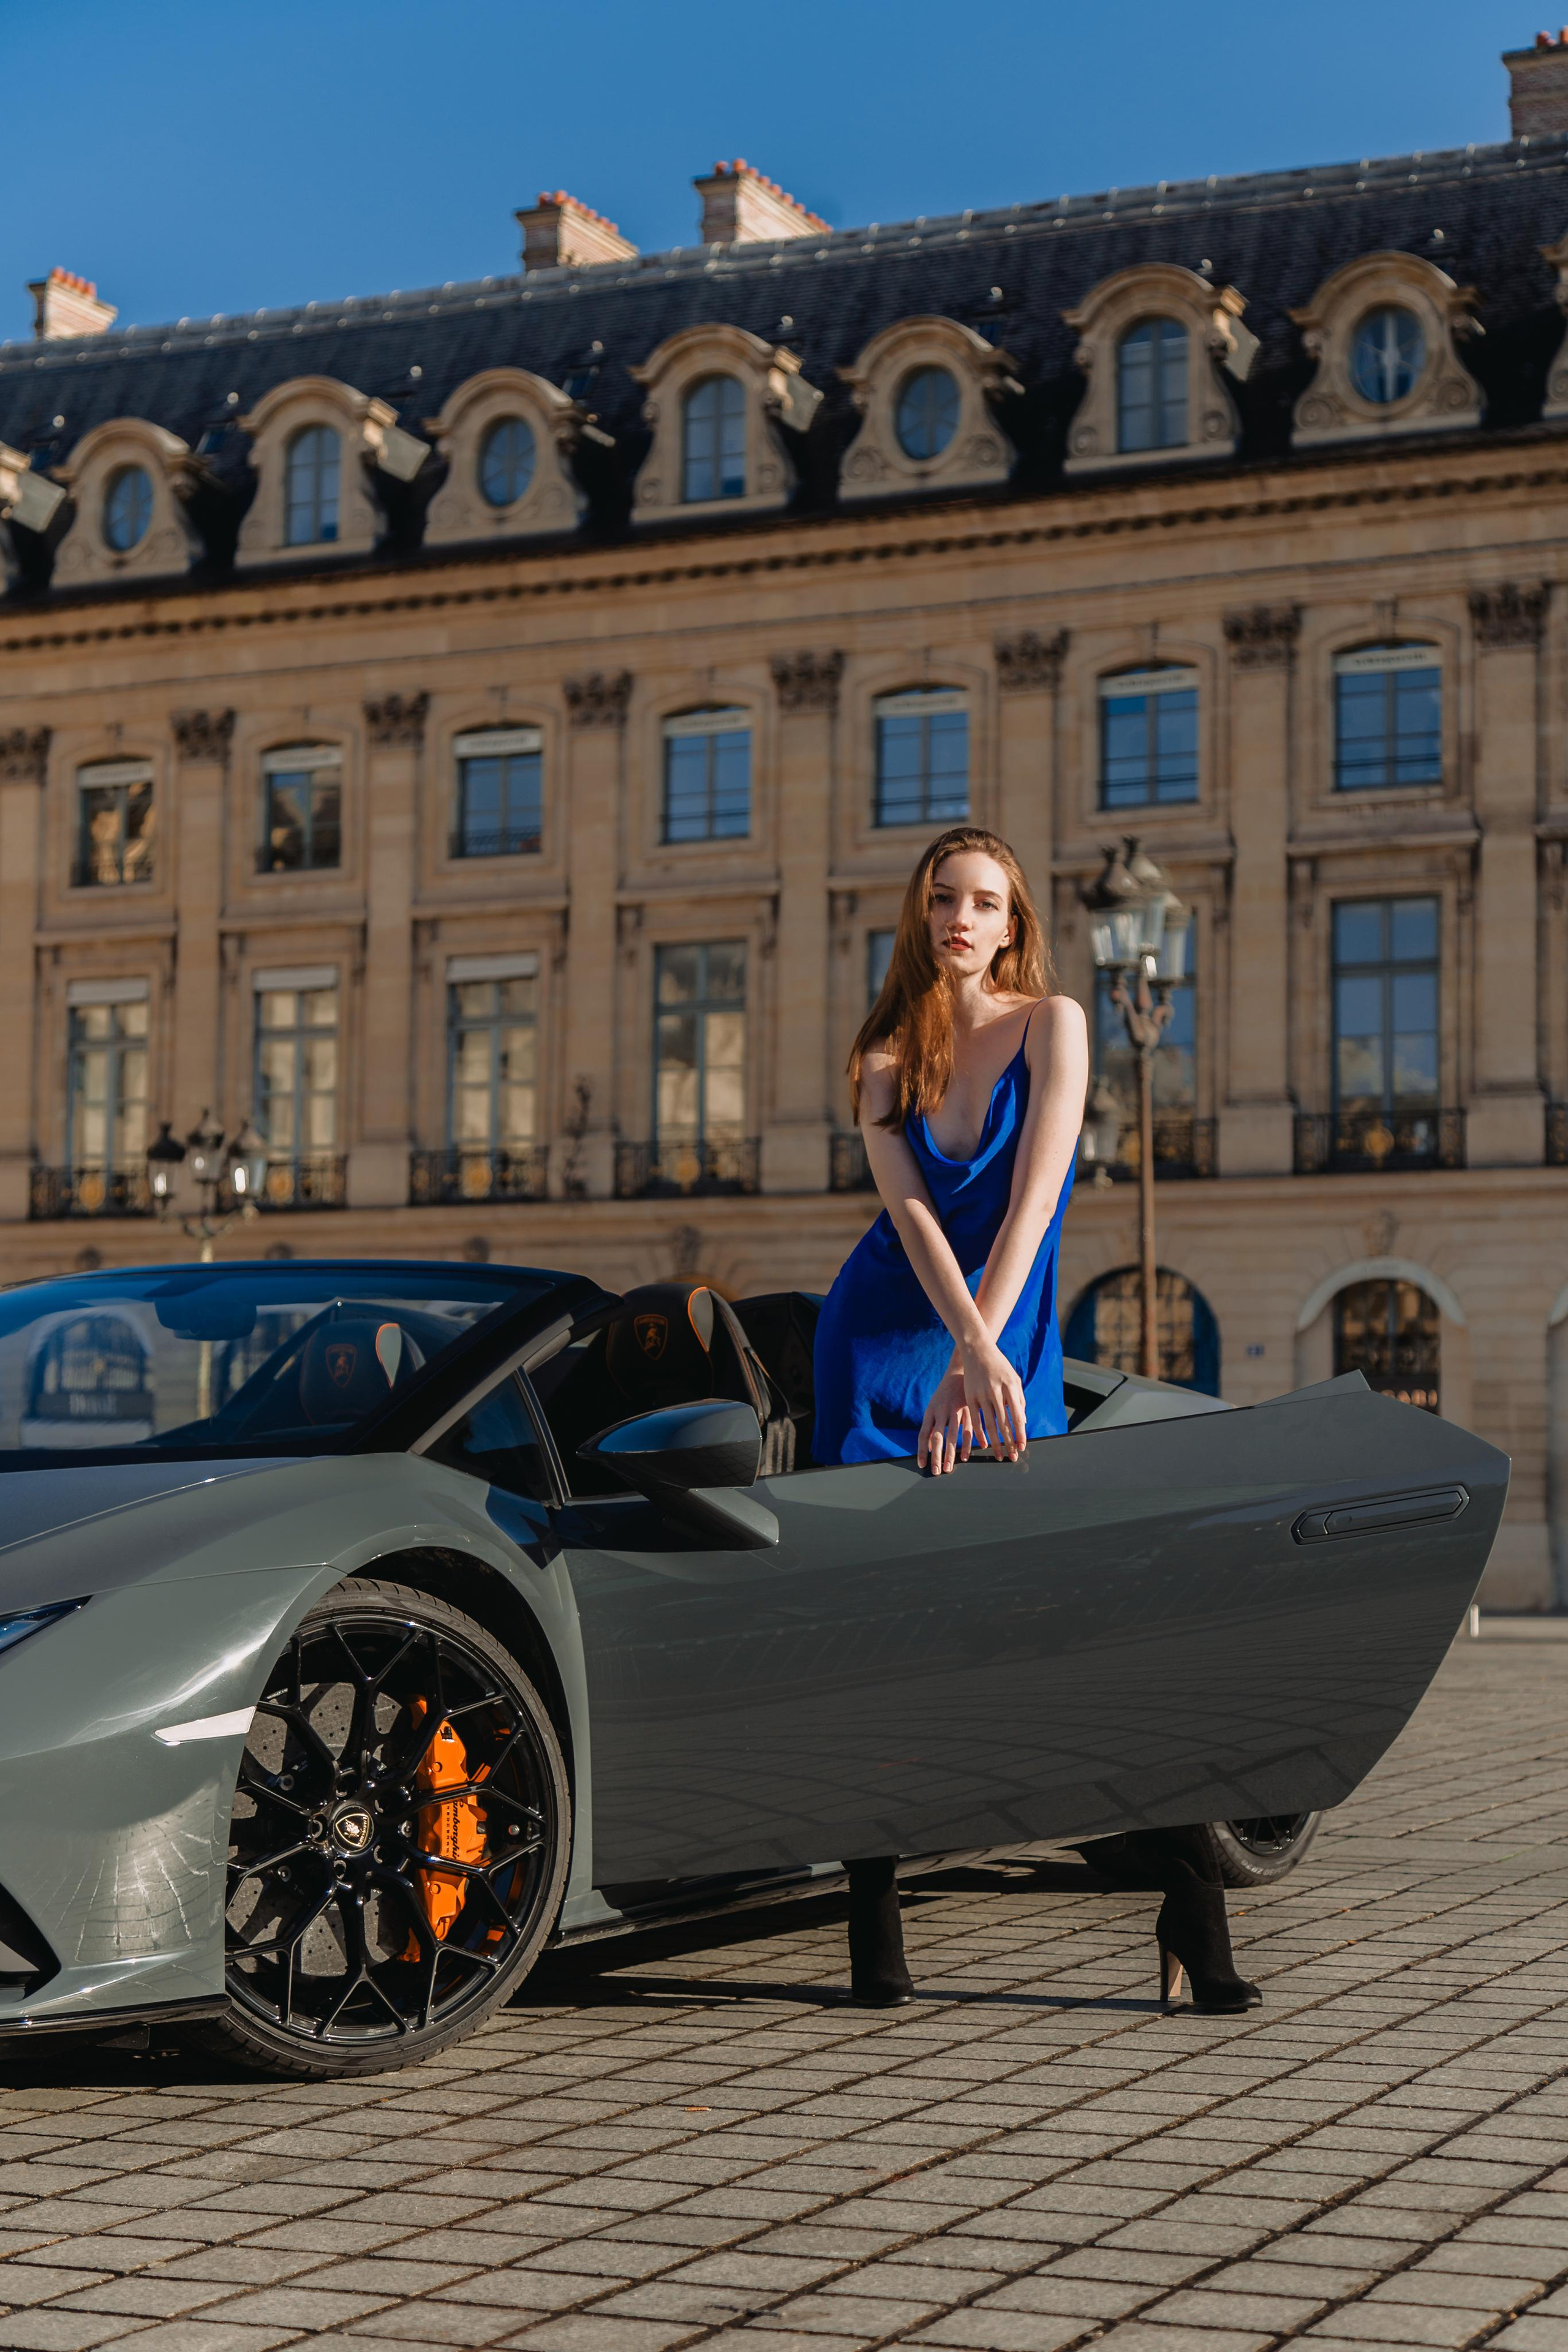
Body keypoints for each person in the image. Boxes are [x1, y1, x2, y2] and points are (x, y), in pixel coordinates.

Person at [814, 826, 1259, 2018]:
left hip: (1000, 1346)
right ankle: (872, 1913)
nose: (960, 919)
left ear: (1013, 924)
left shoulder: (1054, 1025)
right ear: (919, 917)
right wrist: (957, 1343)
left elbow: (1034, 1198)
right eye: (941, 899)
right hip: (882, 1346)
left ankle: (1187, 1892)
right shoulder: (882, 1053)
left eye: (983, 902)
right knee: (877, 1639)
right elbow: (911, 1218)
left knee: (1068, 1629)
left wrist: (981, 1354)